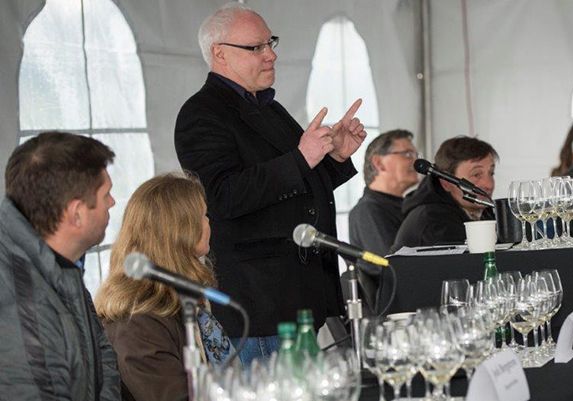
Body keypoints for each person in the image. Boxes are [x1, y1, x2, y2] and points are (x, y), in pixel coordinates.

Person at [175, 2, 366, 364]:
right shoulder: (201, 114)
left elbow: (299, 184)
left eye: (271, 43)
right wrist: (301, 158)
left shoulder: (268, 108)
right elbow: (223, 197)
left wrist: (335, 156)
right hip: (257, 304)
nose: (271, 55)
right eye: (256, 47)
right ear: (220, 54)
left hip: (298, 297)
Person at [0, 131, 120, 400]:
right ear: (76, 213)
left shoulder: (60, 264)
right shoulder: (22, 308)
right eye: (105, 195)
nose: (112, 202)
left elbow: (103, 358)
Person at [95, 173, 232, 401]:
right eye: (203, 216)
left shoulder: (181, 297)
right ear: (180, 231)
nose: (209, 222)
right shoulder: (137, 323)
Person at [391, 136, 497, 251]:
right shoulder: (434, 223)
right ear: (446, 182)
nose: (489, 184)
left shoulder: (482, 211)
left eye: (491, 173)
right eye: (476, 175)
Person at [348, 129, 419, 256]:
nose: (417, 162)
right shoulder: (368, 211)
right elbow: (393, 266)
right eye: (407, 154)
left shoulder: (407, 205)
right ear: (379, 163)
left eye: (416, 155)